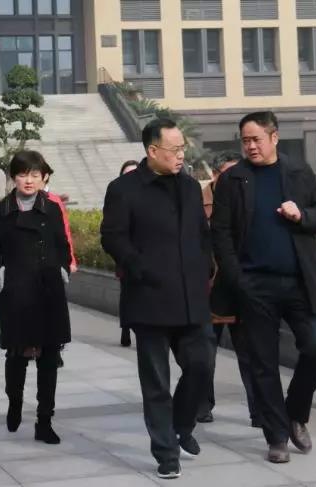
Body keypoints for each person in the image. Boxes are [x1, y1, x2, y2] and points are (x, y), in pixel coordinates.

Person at [211, 111, 316, 464]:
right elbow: (220, 234)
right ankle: (276, 436)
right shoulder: (233, 179)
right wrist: (238, 279)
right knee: (263, 363)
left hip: (299, 282)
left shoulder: (297, 171)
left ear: (274, 137)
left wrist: (302, 216)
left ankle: (295, 413)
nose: (250, 146)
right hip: (254, 286)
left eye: (256, 139)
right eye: (245, 140)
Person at [101, 119, 213, 480]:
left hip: (191, 297)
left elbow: (202, 234)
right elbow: (112, 237)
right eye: (174, 149)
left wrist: (206, 268)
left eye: (183, 149)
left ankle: (181, 425)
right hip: (149, 298)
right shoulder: (123, 189)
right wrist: (139, 266)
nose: (181, 155)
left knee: (201, 365)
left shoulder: (190, 187)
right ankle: (166, 453)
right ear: (152, 150)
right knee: (156, 383)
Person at [0, 151, 71, 445]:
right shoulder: (0, 211)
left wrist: (62, 268)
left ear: (44, 177)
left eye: (35, 175)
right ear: (14, 177)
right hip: (17, 290)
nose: (29, 180)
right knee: (17, 356)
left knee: (49, 358)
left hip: (48, 289)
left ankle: (44, 421)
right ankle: (14, 402)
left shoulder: (52, 208)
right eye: (23, 174)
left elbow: (62, 243)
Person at [197, 152, 259, 427]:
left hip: (243, 288)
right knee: (204, 353)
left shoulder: (252, 198)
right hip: (209, 289)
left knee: (251, 354)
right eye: (229, 173)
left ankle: (259, 411)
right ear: (215, 175)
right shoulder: (197, 202)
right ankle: (202, 405)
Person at [39, 161, 77, 369]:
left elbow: (65, 234)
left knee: (54, 309)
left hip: (53, 265)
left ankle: (56, 348)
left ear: (45, 176)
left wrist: (70, 261)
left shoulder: (54, 201)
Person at [116, 160, 140, 348]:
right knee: (126, 294)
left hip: (147, 255)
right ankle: (125, 327)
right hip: (126, 255)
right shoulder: (117, 197)